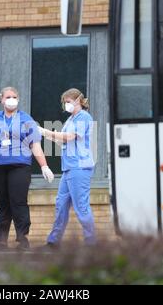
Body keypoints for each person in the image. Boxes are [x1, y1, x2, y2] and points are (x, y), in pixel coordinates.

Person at [0, 86, 55, 250]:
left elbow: (35, 144)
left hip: (19, 165)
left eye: (14, 97)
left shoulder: (26, 119)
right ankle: (0, 240)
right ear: (1, 99)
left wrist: (44, 166)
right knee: (2, 204)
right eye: (8, 97)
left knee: (18, 201)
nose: (11, 100)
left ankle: (22, 238)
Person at [38, 88, 96, 248]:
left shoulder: (84, 117)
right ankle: (53, 242)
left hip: (80, 167)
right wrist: (45, 134)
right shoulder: (71, 119)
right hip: (69, 168)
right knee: (61, 204)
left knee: (81, 207)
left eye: (68, 102)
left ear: (78, 100)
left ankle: (91, 244)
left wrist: (44, 131)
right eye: (64, 102)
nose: (66, 105)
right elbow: (62, 140)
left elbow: (70, 137)